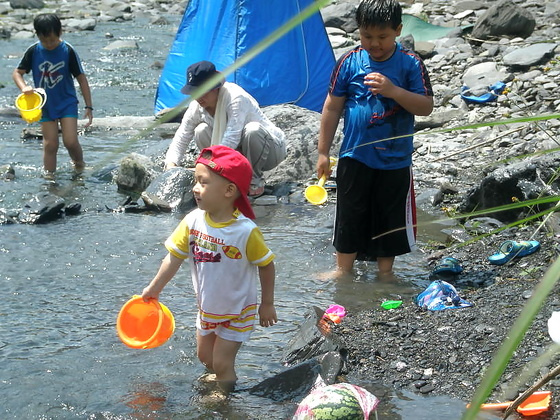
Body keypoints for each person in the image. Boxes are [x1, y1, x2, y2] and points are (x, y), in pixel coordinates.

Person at [142, 145, 277, 395]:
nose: (195, 188)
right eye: (195, 180)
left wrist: (267, 303)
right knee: (205, 358)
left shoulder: (245, 231)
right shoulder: (193, 221)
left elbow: (266, 265)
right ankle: (217, 378)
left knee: (223, 363)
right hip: (208, 307)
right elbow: (173, 258)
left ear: (229, 190)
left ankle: (223, 401)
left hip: (238, 310)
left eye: (203, 182)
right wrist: (154, 289)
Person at [316, 0, 433, 277]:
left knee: (388, 215)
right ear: (359, 32)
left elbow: (426, 107)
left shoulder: (409, 64)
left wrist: (394, 91)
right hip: (355, 154)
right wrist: (323, 152)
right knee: (349, 212)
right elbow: (332, 107)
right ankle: (342, 270)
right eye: (367, 36)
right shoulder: (349, 62)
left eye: (382, 37)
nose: (374, 43)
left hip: (395, 157)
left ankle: (385, 272)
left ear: (397, 31)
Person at [164, 60, 286, 197]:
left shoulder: (235, 98)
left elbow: (232, 137)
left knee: (253, 130)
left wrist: (208, 167)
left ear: (215, 88)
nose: (199, 97)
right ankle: (224, 176)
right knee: (201, 130)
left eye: (203, 91)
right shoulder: (196, 106)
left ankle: (254, 181)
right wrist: (171, 164)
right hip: (236, 152)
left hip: (270, 150)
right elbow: (182, 135)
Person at [12, 13, 93, 178]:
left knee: (70, 141)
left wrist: (88, 106)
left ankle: (79, 165)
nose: (49, 44)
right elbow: (17, 73)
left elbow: (82, 79)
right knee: (50, 144)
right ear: (37, 35)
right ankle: (50, 178)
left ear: (60, 33)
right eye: (44, 40)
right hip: (45, 105)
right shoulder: (34, 51)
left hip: (66, 102)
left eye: (52, 40)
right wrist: (24, 87)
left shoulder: (68, 51)